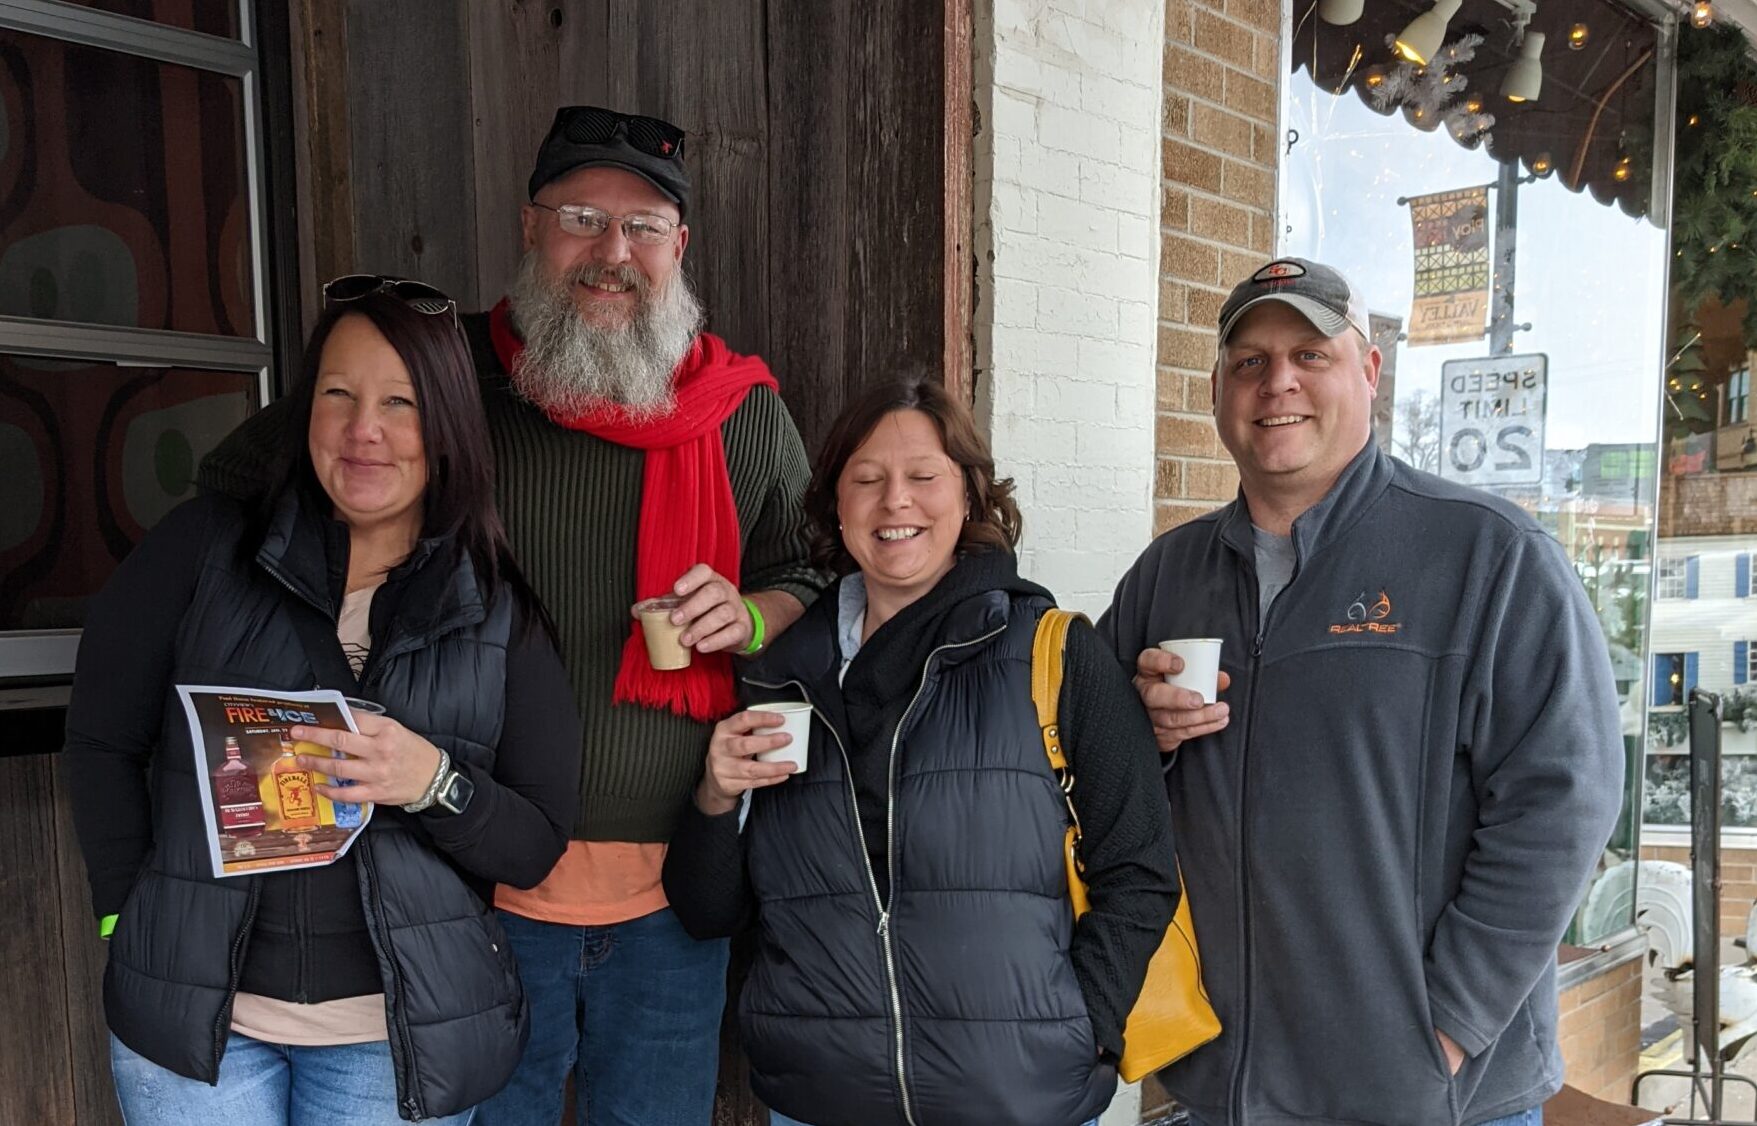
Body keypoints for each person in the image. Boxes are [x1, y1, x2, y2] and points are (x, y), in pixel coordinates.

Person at [199, 105, 825, 1126]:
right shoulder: (448, 384)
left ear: (680, 248)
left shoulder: (742, 408)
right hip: (464, 879)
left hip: (678, 892)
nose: (610, 253)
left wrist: (750, 614)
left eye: (642, 226)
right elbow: (242, 479)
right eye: (580, 216)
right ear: (529, 229)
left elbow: (812, 569)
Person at [1098, 257, 1625, 1126]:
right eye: (1249, 362)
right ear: (1220, 389)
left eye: (1310, 354)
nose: (1278, 384)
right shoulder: (1167, 577)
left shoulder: (1487, 556)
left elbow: (1562, 801)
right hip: (1222, 1086)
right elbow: (1087, 789)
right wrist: (1138, 740)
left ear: (1369, 372)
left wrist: (1448, 1023)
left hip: (1431, 1094)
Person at [63, 277, 584, 1124]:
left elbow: (534, 844)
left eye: (398, 402)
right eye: (337, 394)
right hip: (201, 1031)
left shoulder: (494, 611)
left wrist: (431, 780)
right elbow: (100, 742)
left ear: (446, 424)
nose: (362, 430)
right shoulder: (204, 553)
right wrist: (125, 917)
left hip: (394, 1037)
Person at [662, 376, 1180, 1126]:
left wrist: (1081, 1031)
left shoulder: (1052, 654)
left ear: (967, 497)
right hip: (821, 1102)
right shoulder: (782, 677)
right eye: (865, 480)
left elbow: (1138, 868)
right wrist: (715, 797)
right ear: (835, 509)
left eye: (922, 477)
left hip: (1017, 1101)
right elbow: (709, 912)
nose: (894, 501)